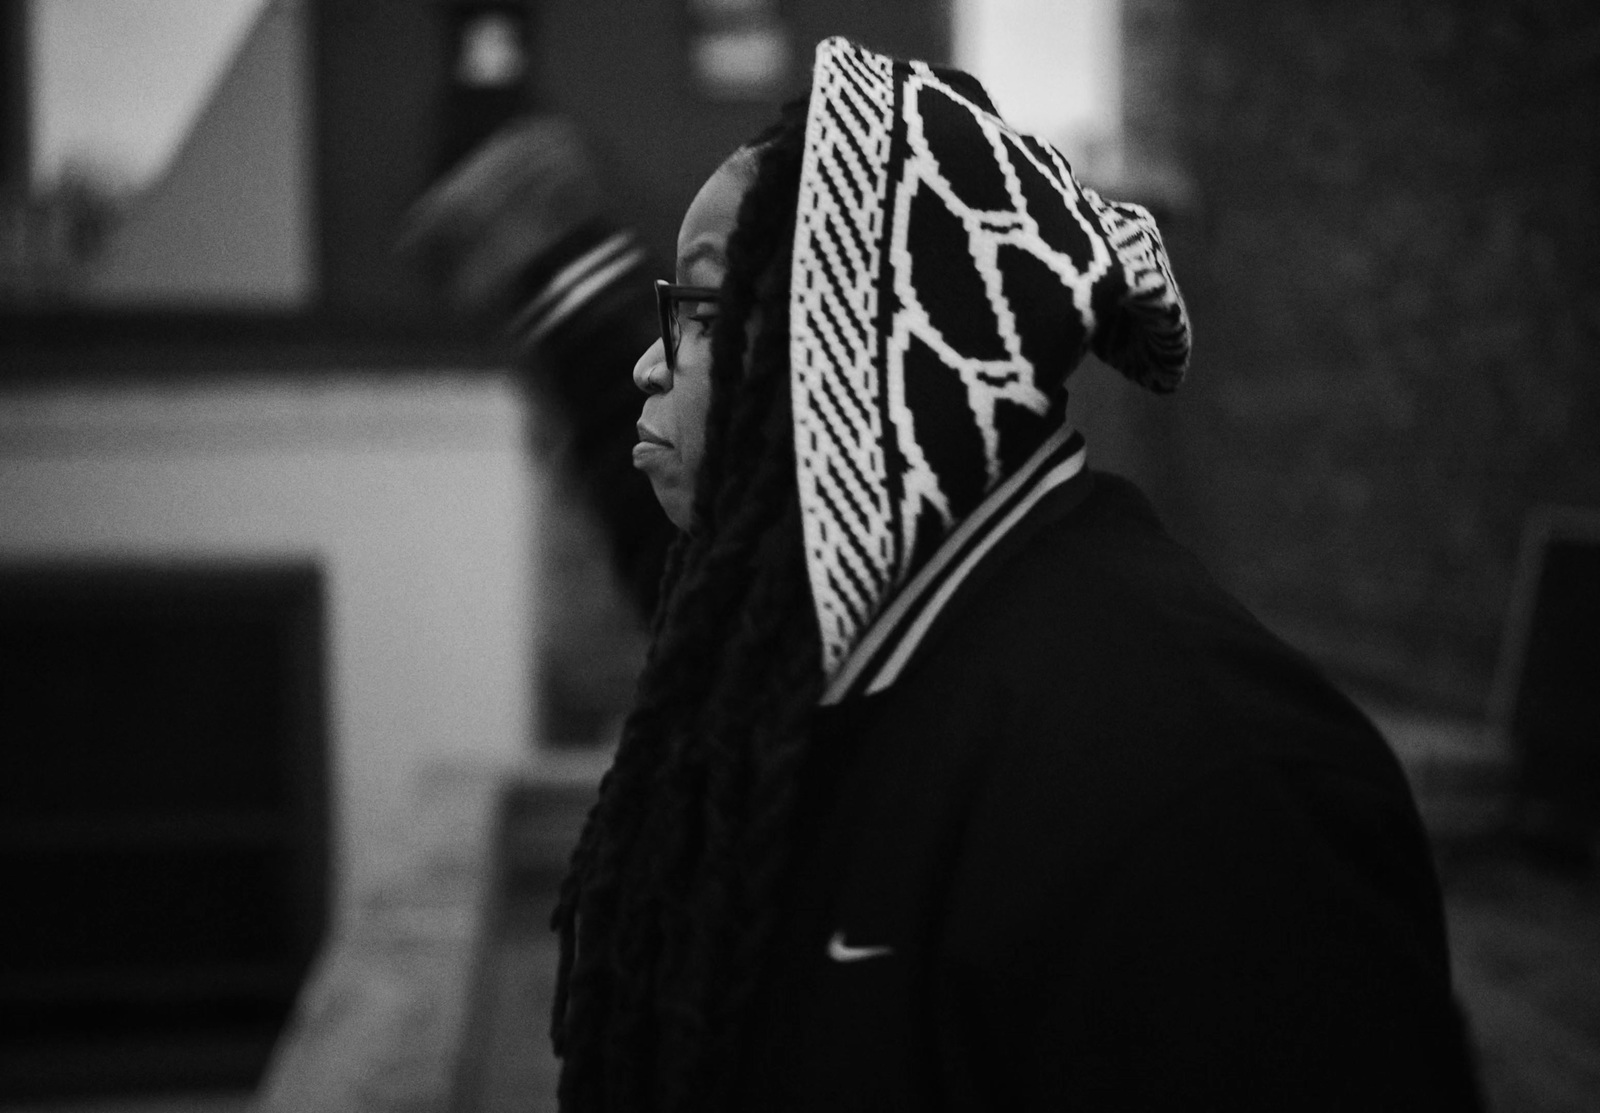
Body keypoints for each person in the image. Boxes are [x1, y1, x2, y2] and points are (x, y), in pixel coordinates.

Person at [415, 37, 1484, 1112]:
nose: (652, 360)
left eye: (699, 310)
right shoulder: (828, 640)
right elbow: (686, 567)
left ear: (864, 351)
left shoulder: (1217, 802)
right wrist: (558, 276)